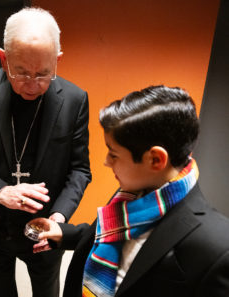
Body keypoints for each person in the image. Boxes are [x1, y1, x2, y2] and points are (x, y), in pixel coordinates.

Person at [0, 7, 91, 297]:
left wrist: (59, 218)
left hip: (45, 225)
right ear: (3, 58)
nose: (33, 85)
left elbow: (79, 169)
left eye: (44, 73)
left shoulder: (75, 99)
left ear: (57, 60)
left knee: (47, 291)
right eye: (21, 72)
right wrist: (1, 192)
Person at [29, 85, 229, 297]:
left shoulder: (217, 248)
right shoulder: (133, 192)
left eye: (113, 154)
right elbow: (112, 235)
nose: (106, 162)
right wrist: (64, 234)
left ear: (155, 159)